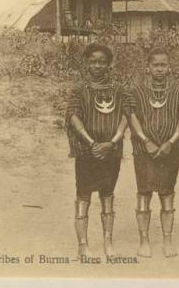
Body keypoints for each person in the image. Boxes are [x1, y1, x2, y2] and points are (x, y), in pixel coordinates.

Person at [66, 43, 130, 257]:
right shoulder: (79, 89)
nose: (97, 66)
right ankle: (83, 245)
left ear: (109, 64)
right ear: (86, 63)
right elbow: (73, 116)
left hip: (111, 151)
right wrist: (91, 143)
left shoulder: (118, 89)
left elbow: (125, 116)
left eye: (102, 61)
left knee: (108, 194)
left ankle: (108, 243)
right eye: (93, 61)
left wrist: (112, 142)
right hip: (87, 152)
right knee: (83, 195)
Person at [128, 47, 179, 258]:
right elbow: (131, 115)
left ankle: (167, 240)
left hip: (170, 150)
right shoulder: (136, 90)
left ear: (169, 67)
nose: (160, 69)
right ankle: (144, 241)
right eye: (156, 65)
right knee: (144, 192)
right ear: (148, 67)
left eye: (164, 65)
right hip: (143, 151)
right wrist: (146, 141)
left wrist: (171, 141)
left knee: (167, 192)